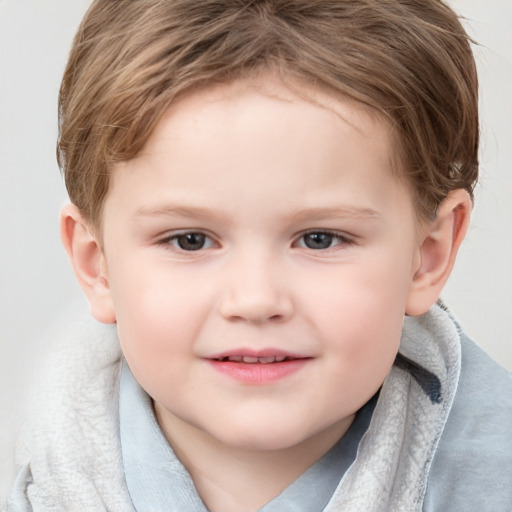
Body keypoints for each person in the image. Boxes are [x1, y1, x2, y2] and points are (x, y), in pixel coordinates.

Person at [4, 0, 512, 510]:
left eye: (319, 239)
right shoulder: (43, 489)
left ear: (427, 254)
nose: (255, 300)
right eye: (190, 240)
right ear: (98, 265)